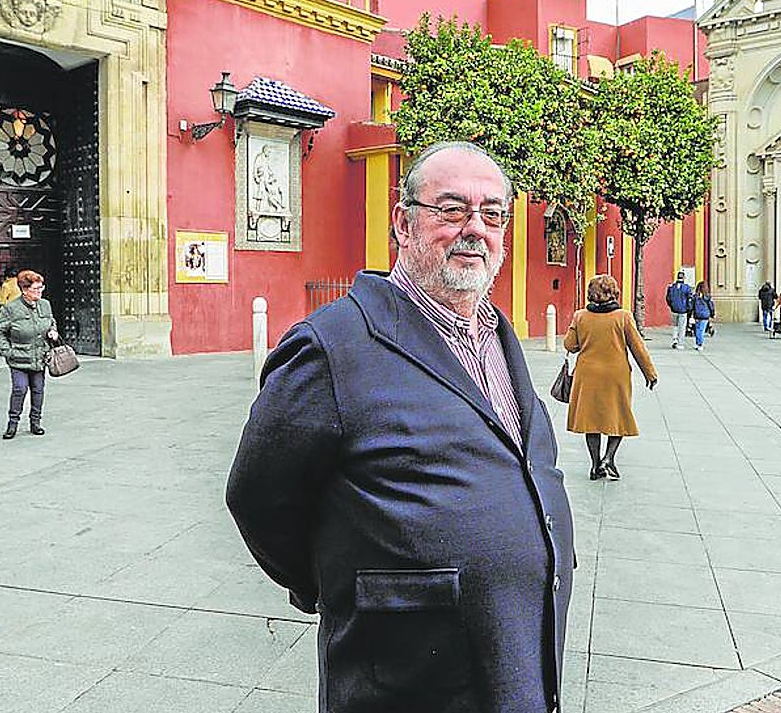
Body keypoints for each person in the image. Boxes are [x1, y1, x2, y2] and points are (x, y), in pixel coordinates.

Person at [226, 142, 573, 713]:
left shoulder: (495, 336)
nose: (475, 228)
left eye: (492, 213)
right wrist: (341, 586)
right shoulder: (333, 344)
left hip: (516, 663)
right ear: (402, 223)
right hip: (405, 679)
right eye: (452, 209)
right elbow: (258, 496)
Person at [566, 274, 657, 481]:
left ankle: (595, 465)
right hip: (616, 374)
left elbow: (570, 346)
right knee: (619, 416)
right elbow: (638, 348)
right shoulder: (623, 317)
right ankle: (609, 458)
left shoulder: (580, 316)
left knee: (591, 421)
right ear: (613, 293)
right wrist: (649, 372)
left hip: (587, 375)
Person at [0, 269, 58, 439]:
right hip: (18, 358)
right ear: (24, 290)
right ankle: (12, 424)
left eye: (41, 288)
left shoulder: (45, 305)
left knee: (38, 390)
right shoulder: (11, 308)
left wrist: (52, 331)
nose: (39, 291)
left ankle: (35, 423)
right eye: (35, 288)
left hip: (40, 357)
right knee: (19, 389)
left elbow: (51, 322)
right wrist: (9, 352)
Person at [666, 270, 693, 349]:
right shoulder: (687, 288)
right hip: (683, 310)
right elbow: (689, 299)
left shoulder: (671, 287)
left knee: (675, 325)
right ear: (684, 278)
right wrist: (689, 308)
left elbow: (668, 298)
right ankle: (680, 343)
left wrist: (671, 306)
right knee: (682, 327)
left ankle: (674, 339)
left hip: (674, 309)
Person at [691, 280, 715, 350]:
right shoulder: (707, 296)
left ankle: (697, 343)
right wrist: (712, 314)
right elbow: (711, 305)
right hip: (705, 315)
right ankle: (700, 344)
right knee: (701, 330)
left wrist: (691, 313)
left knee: (697, 329)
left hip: (697, 314)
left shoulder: (695, 296)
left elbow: (691, 305)